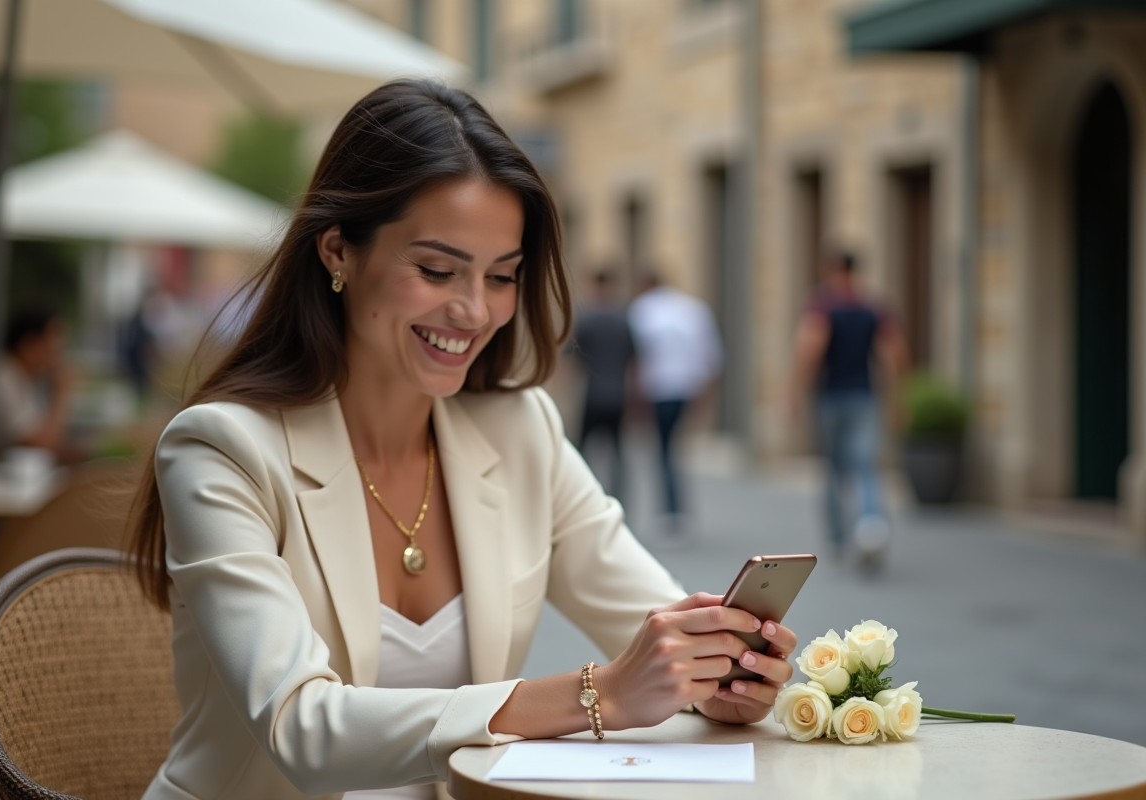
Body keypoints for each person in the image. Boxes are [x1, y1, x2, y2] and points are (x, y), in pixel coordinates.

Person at [129, 81, 797, 800]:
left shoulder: (521, 431)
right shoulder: (221, 450)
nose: (475, 311)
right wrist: (597, 694)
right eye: (437, 269)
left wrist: (714, 676)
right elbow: (302, 728)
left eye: (502, 276)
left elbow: (645, 618)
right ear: (337, 253)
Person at [790, 248, 908, 570]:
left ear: (830, 269)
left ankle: (838, 538)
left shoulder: (822, 305)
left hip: (830, 398)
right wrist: (897, 398)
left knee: (833, 469)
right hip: (865, 397)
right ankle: (870, 526)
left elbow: (809, 349)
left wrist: (794, 391)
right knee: (866, 465)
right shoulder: (872, 306)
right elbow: (894, 352)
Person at [626, 273, 723, 533]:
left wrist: (635, 395)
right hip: (685, 387)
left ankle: (671, 510)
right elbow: (710, 355)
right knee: (671, 449)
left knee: (664, 449)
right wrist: (705, 393)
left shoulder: (641, 310)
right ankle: (676, 509)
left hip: (657, 389)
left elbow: (637, 357)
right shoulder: (693, 309)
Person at [571, 269, 635, 502]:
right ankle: (619, 500)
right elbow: (634, 359)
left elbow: (571, 357)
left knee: (581, 452)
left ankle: (583, 497)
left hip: (592, 394)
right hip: (618, 394)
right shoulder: (623, 319)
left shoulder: (586, 318)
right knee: (617, 453)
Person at [0, 307, 77, 459]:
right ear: (28, 344)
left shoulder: (25, 379)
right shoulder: (0, 379)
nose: (57, 358)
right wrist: (61, 393)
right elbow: (40, 447)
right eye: (53, 348)